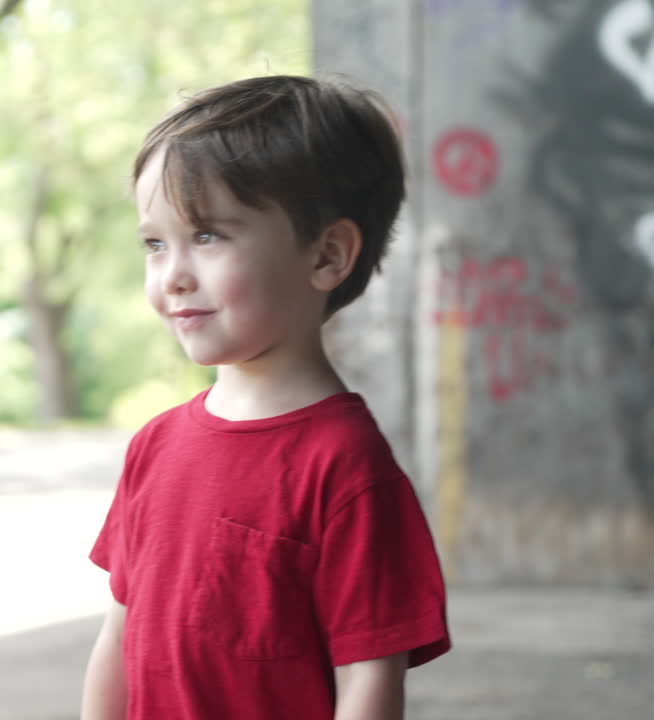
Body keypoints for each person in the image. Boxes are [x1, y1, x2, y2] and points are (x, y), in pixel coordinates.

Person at [79, 75, 451, 720]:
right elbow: (120, 636)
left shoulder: (346, 468)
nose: (173, 275)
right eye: (154, 244)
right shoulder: (156, 445)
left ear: (328, 255)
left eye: (207, 236)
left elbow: (367, 684)